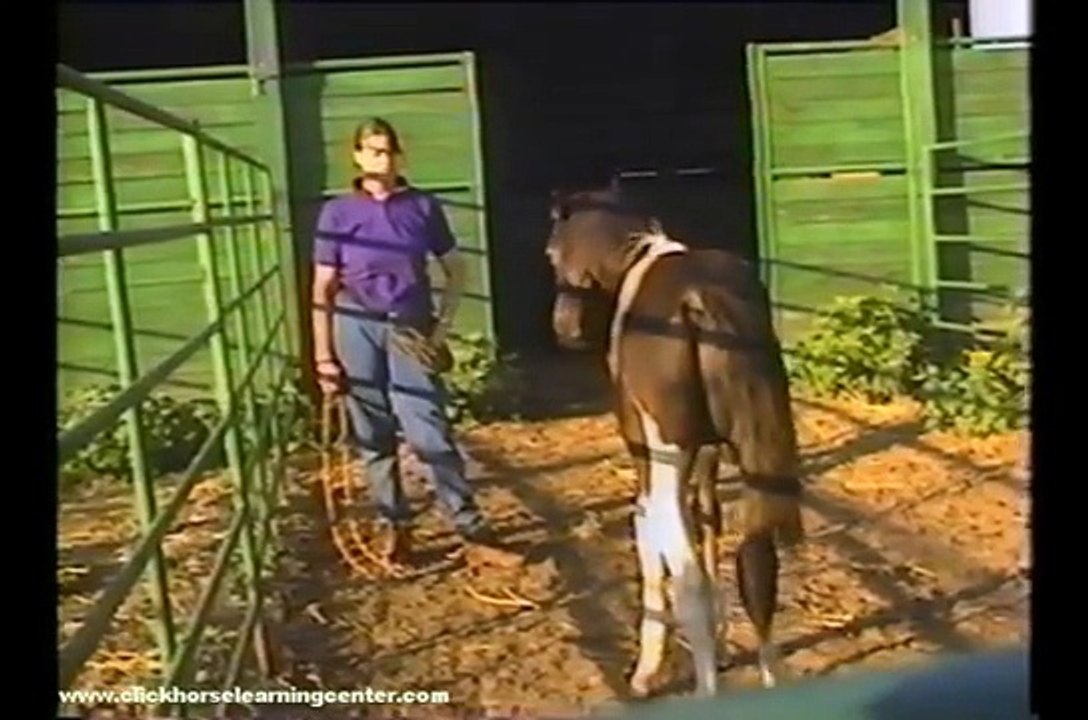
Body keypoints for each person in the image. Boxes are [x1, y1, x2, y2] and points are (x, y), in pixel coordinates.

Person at [310, 117, 519, 568]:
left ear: (399, 156)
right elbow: (322, 288)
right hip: (355, 323)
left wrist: (440, 330)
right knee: (373, 431)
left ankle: (469, 527)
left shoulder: (422, 207)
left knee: (429, 428)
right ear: (358, 156)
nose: (381, 159)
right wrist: (324, 356)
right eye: (372, 151)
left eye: (388, 151)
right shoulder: (337, 213)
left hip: (410, 327)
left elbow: (456, 269)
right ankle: (395, 526)